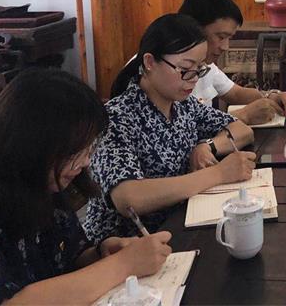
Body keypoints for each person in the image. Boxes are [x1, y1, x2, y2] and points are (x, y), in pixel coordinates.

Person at [0, 69, 172, 304]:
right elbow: (6, 302)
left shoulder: (44, 186)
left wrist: (101, 254)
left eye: (89, 149)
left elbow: (70, 257)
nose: (86, 162)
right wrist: (122, 265)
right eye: (74, 152)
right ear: (31, 147)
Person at [84, 14, 256, 244]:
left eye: (199, 69)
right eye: (185, 69)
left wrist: (207, 146)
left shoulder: (183, 105)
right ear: (149, 62)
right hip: (123, 248)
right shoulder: (116, 118)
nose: (194, 79)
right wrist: (218, 174)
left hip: (180, 228)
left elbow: (241, 129)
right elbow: (129, 198)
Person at [178, 0, 286, 125]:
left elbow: (235, 93)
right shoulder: (171, 73)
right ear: (193, 29)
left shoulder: (206, 66)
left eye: (229, 38)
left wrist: (272, 96)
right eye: (221, 37)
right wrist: (243, 115)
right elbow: (180, 129)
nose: (225, 47)